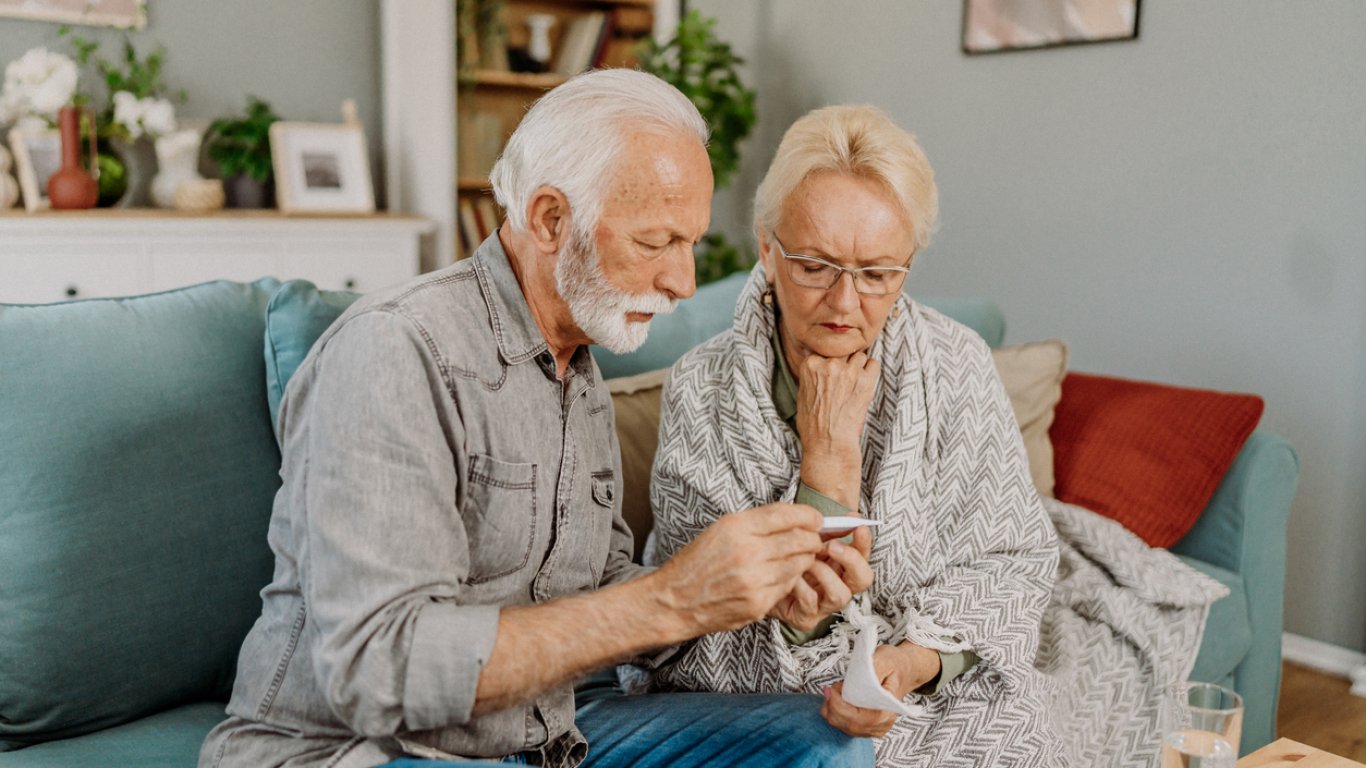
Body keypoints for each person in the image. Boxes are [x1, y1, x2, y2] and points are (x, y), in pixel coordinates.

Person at [199, 70, 875, 768]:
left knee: (828, 743)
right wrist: (673, 600)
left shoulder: (576, 366)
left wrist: (746, 596)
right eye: (655, 243)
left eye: (690, 243)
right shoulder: (397, 349)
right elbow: (381, 672)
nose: (684, 281)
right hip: (361, 752)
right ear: (552, 219)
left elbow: (605, 597)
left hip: (547, 743)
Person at [648, 104, 1229, 767]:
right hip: (770, 675)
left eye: (876, 275)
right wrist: (829, 456)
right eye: (815, 266)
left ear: (909, 263)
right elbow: (696, 620)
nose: (844, 303)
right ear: (767, 248)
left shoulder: (956, 361)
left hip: (926, 660)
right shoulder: (701, 384)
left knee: (1020, 734)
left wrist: (917, 660)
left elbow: (1013, 556)